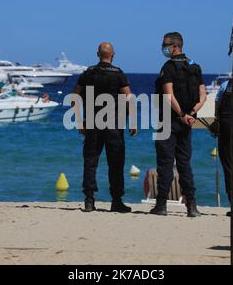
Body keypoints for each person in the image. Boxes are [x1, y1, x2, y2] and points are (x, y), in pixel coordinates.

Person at [73, 42, 137, 213]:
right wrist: (132, 122)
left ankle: (89, 200)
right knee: (115, 163)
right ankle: (116, 201)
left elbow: (75, 98)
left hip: (93, 122)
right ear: (113, 55)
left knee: (90, 161)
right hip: (114, 124)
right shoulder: (118, 74)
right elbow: (129, 98)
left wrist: (80, 121)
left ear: (97, 54)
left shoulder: (87, 74)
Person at [150, 32, 207, 217]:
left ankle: (161, 205)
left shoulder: (168, 67)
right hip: (187, 123)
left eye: (165, 44)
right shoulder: (194, 66)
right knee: (184, 164)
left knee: (165, 163)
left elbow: (168, 96)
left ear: (175, 46)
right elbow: (203, 96)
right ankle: (192, 206)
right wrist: (190, 114)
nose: (163, 48)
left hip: (169, 121)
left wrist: (182, 114)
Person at [215, 77, 233, 217]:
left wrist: (217, 120)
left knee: (228, 167)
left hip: (227, 128)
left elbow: (217, 104)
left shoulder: (226, 85)